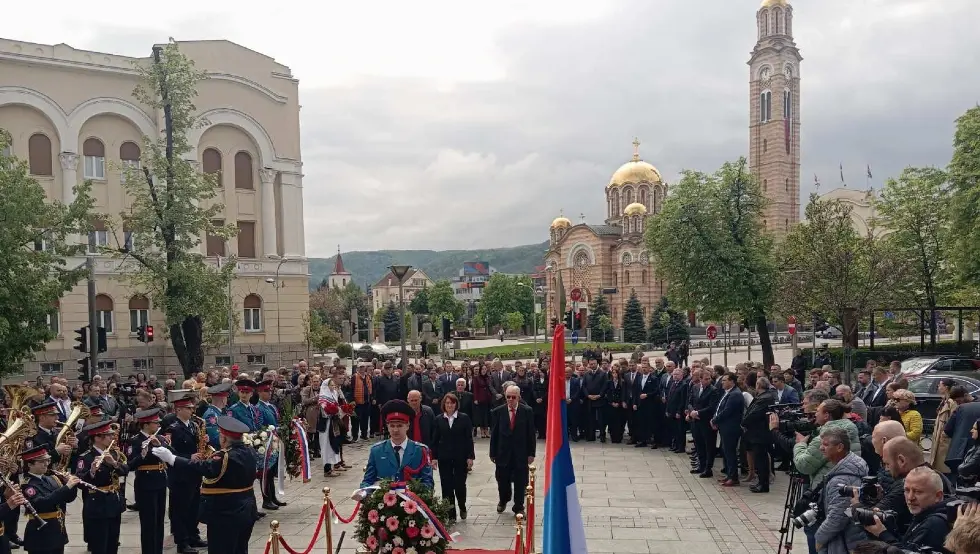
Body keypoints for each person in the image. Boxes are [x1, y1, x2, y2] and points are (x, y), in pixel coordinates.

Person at [152, 417, 259, 554]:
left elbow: (204, 467)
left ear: (224, 439)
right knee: (239, 549)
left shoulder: (225, 456)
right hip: (246, 510)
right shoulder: (248, 451)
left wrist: (173, 459)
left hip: (226, 513)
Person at [862, 467, 951, 552]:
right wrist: (889, 529)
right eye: (907, 490)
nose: (910, 497)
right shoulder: (926, 514)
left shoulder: (934, 524)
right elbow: (906, 546)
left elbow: (905, 552)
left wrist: (883, 534)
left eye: (918, 492)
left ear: (938, 496)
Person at [812, 427, 868, 554]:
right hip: (852, 539)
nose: (821, 448)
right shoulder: (855, 465)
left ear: (839, 447)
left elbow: (837, 517)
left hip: (843, 543)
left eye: (826, 444)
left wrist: (819, 538)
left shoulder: (841, 479)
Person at [163, 394, 207, 553]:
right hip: (180, 474)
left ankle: (193, 535)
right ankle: (182, 542)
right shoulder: (172, 428)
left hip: (194, 472)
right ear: (178, 409)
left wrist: (204, 441)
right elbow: (169, 451)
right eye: (188, 408)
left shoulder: (194, 425)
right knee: (181, 508)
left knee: (194, 505)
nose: (192, 410)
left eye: (192, 407)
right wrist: (189, 457)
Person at [75, 421, 127, 554]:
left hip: (114, 502)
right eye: (108, 435)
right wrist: (92, 471)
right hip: (97, 504)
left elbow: (125, 470)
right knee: (100, 544)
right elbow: (79, 482)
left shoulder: (113, 454)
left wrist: (114, 464)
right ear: (97, 438)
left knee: (113, 542)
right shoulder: (86, 457)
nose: (112, 437)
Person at [19, 444, 81, 554]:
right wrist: (67, 487)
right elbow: (42, 503)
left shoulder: (51, 478)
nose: (46, 464)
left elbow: (68, 499)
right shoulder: (27, 485)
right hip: (40, 535)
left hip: (57, 530)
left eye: (47, 460)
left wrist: (71, 485)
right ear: (30, 464)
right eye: (42, 461)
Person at [360, 400, 434, 489]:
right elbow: (367, 481)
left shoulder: (420, 450)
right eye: (392, 426)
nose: (395, 430)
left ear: (407, 425)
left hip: (412, 501)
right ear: (387, 426)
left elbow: (428, 483)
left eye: (399, 426)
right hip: (383, 501)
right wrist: (364, 493)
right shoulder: (377, 451)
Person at [125, 408, 169, 554]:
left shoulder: (160, 439)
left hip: (161, 481)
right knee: (149, 522)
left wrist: (159, 445)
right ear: (145, 424)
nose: (158, 425)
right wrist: (143, 455)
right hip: (145, 483)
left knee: (159, 521)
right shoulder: (135, 441)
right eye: (155, 422)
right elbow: (130, 465)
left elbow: (171, 455)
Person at [489, 385, 535, 516]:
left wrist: (531, 453)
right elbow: (495, 433)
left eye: (513, 397)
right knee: (502, 480)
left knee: (521, 481)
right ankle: (503, 499)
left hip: (520, 453)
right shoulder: (498, 411)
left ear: (519, 398)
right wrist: (492, 452)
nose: (510, 400)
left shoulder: (527, 411)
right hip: (502, 452)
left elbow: (531, 433)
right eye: (508, 397)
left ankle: (519, 506)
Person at [430, 393, 475, 521]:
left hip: (460, 457)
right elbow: (435, 439)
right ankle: (450, 513)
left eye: (452, 403)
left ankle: (462, 505)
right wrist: (434, 457)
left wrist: (470, 457)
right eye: (447, 403)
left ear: (456, 404)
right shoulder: (439, 419)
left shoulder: (464, 418)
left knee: (460, 484)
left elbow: (468, 439)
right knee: (446, 485)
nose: (449, 405)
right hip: (444, 457)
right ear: (444, 404)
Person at [255, 380, 285, 511]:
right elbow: (260, 426)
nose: (269, 393)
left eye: (270, 390)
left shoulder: (271, 406)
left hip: (275, 442)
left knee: (272, 472)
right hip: (266, 442)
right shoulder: (258, 408)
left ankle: (273, 497)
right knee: (265, 472)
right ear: (259, 392)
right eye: (266, 391)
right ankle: (266, 499)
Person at [711, 372, 745, 487]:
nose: (722, 382)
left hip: (731, 427)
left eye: (725, 380)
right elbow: (720, 407)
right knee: (726, 451)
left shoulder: (735, 394)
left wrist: (715, 420)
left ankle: (734, 477)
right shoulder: (728, 393)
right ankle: (729, 475)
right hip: (724, 426)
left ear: (732, 381)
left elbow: (727, 411)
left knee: (730, 452)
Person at [688, 369, 721, 478]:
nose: (708, 381)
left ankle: (708, 468)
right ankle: (701, 466)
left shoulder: (713, 390)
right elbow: (690, 402)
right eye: (705, 379)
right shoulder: (695, 387)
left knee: (708, 446)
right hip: (695, 421)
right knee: (699, 444)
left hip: (706, 422)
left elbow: (712, 407)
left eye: (709, 379)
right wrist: (691, 412)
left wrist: (698, 412)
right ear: (700, 379)